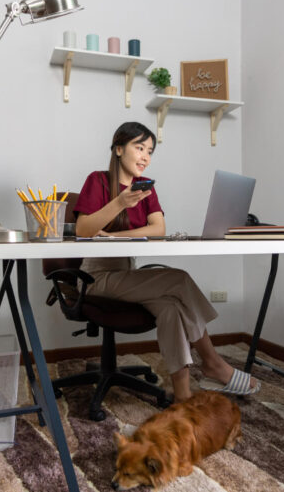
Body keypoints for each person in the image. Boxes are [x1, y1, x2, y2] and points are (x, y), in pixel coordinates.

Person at [74, 121, 259, 403]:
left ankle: (182, 396)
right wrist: (120, 204)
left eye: (150, 150)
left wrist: (111, 236)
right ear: (119, 149)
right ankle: (212, 363)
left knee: (171, 306)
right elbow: (83, 230)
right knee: (179, 279)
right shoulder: (97, 181)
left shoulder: (144, 189)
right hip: (96, 278)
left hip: (126, 276)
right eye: (139, 147)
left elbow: (157, 230)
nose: (146, 156)